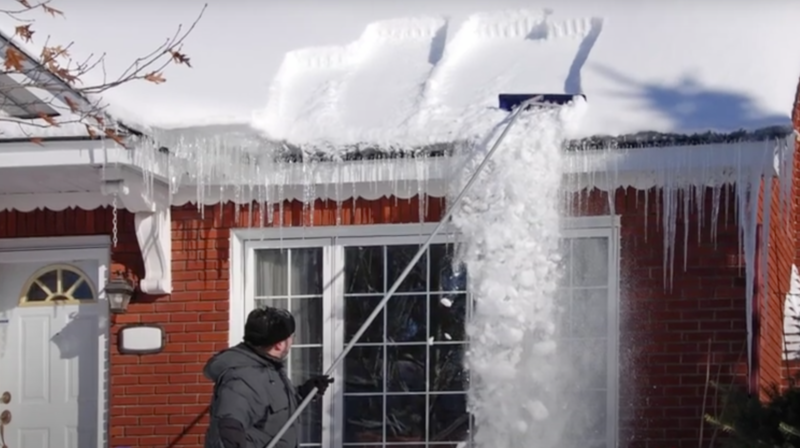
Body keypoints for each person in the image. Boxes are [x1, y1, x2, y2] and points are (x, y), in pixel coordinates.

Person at [203, 306, 333, 448]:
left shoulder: (268, 368)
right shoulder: (242, 378)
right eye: (291, 337)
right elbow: (227, 430)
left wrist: (303, 393)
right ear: (279, 345)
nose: (292, 341)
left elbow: (269, 409)